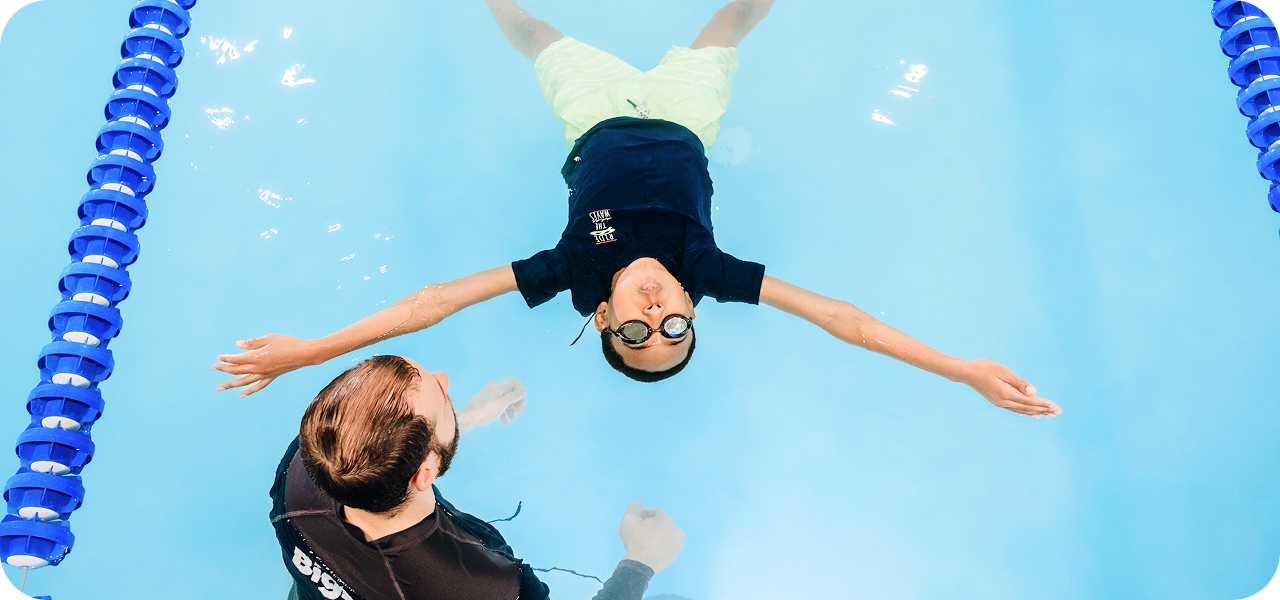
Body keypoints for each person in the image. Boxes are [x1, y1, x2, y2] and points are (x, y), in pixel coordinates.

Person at [213, 0, 1062, 419]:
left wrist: (308, 353)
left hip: (596, 114)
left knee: (538, 40)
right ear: (697, 312)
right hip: (686, 118)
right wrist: (963, 370)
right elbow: (845, 321)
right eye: (676, 332)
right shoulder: (708, 270)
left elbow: (431, 303)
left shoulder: (574, 269)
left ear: (602, 318)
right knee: (729, 26)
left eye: (635, 336)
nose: (657, 318)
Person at [274, 355, 685, 600]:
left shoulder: (303, 470)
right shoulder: (485, 586)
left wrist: (460, 419)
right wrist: (640, 563)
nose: (444, 379)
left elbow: (369, 452)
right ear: (424, 473)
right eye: (442, 395)